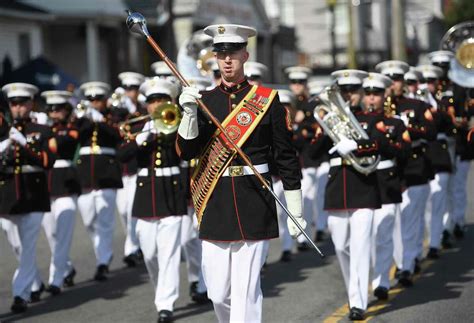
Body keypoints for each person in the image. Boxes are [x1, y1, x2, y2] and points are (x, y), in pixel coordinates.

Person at [176, 24, 304, 323]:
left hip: (253, 200)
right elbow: (187, 152)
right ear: (215, 59)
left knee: (246, 293)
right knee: (217, 293)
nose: (227, 60)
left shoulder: (267, 101)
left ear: (245, 55)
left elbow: (286, 157)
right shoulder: (204, 101)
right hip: (215, 201)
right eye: (221, 54)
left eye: (233, 53)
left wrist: (295, 209)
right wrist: (189, 115)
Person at [118, 77, 187, 322]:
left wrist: (169, 127)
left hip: (172, 191)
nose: (156, 105)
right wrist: (140, 138)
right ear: (146, 105)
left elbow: (185, 149)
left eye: (162, 100)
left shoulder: (179, 122)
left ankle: (165, 304)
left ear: (170, 102)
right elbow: (122, 156)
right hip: (146, 192)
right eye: (152, 101)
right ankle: (162, 292)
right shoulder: (139, 128)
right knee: (149, 253)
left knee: (168, 253)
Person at [317, 70, 382, 320]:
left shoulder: (372, 118)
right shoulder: (330, 119)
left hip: (363, 189)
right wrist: (323, 132)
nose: (349, 96)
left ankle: (358, 302)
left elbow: (382, 145)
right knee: (341, 245)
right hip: (337, 191)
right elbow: (312, 153)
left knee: (360, 246)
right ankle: (352, 290)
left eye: (353, 91)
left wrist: (358, 144)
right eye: (344, 92)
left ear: (361, 93)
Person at [376, 60, 436, 287]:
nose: (394, 83)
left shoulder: (417, 105)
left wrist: (406, 127)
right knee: (392, 222)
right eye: (389, 79)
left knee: (410, 219)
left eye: (398, 79)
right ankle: (401, 261)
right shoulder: (378, 112)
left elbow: (431, 132)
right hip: (389, 171)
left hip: (414, 166)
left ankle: (407, 265)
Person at [0, 82, 57, 313]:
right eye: (13, 104)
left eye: (22, 103)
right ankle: (33, 282)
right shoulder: (3, 131)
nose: (18, 108)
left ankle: (20, 294)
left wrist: (24, 145)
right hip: (7, 196)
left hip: (34, 194)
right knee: (17, 246)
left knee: (28, 247)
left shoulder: (42, 130)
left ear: (31, 103)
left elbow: (48, 161)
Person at [360, 73, 410, 301]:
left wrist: (381, 137)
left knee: (384, 234)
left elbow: (404, 152)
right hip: (363, 181)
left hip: (388, 181)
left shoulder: (395, 123)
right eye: (368, 94)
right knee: (366, 236)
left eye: (376, 94)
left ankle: (381, 282)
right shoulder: (356, 119)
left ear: (384, 96)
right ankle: (371, 278)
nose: (372, 99)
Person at [76, 81, 123, 281]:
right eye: (91, 100)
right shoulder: (83, 119)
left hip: (107, 173)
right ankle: (102, 253)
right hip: (86, 174)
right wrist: (84, 119)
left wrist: (101, 121)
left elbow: (118, 135)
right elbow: (76, 138)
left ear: (104, 101)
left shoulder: (114, 115)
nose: (94, 104)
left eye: (98, 100)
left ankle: (102, 261)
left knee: (105, 221)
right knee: (88, 220)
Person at [40, 90, 81, 294]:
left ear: (66, 110)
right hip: (47, 186)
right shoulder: (43, 128)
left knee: (62, 236)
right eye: (51, 109)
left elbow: (57, 146)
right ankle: (67, 268)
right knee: (51, 234)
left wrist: (42, 132)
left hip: (66, 183)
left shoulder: (71, 128)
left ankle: (55, 279)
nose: (54, 113)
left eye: (58, 109)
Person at [416, 64, 456, 258]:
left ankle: (435, 242)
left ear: (437, 83)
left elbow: (449, 125)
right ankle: (427, 239)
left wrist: (434, 109)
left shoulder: (442, 102)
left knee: (439, 199)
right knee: (426, 204)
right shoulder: (414, 103)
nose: (426, 85)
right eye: (423, 81)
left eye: (430, 81)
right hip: (423, 157)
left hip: (439, 153)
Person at [115, 72, 145, 267]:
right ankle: (134, 242)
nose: (129, 93)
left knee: (131, 209)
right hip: (121, 168)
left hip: (136, 167)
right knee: (123, 210)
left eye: (133, 89)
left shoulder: (143, 111)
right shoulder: (118, 111)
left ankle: (132, 248)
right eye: (127, 89)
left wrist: (133, 110)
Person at [285, 65, 316, 251]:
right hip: (289, 163)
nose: (297, 86)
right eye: (294, 82)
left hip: (307, 160)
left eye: (300, 82)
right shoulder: (285, 104)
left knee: (307, 200)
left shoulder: (310, 105)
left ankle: (305, 235)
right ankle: (290, 243)